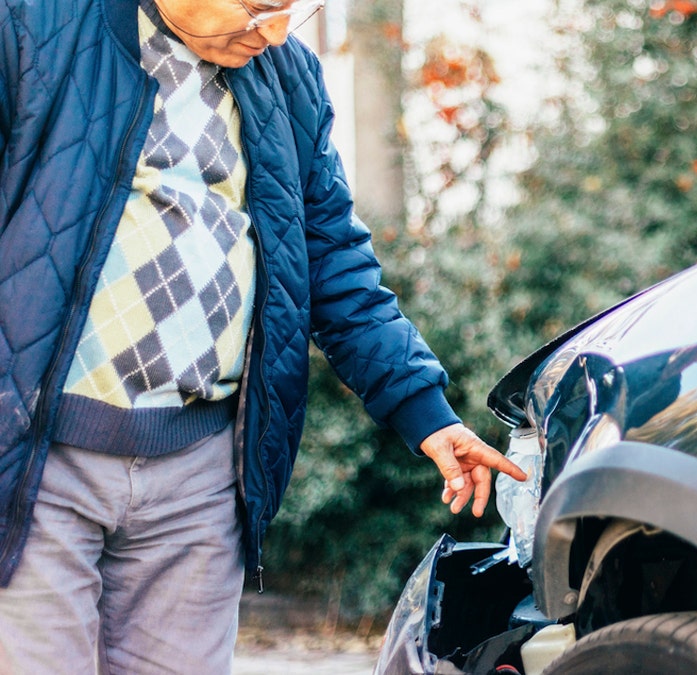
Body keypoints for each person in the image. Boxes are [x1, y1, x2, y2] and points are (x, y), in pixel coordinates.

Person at [0, 0, 527, 671]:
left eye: (290, 7)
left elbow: (333, 261)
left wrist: (425, 413)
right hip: (34, 466)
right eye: (255, 7)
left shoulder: (286, 77)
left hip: (199, 479)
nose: (274, 31)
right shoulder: (33, 23)